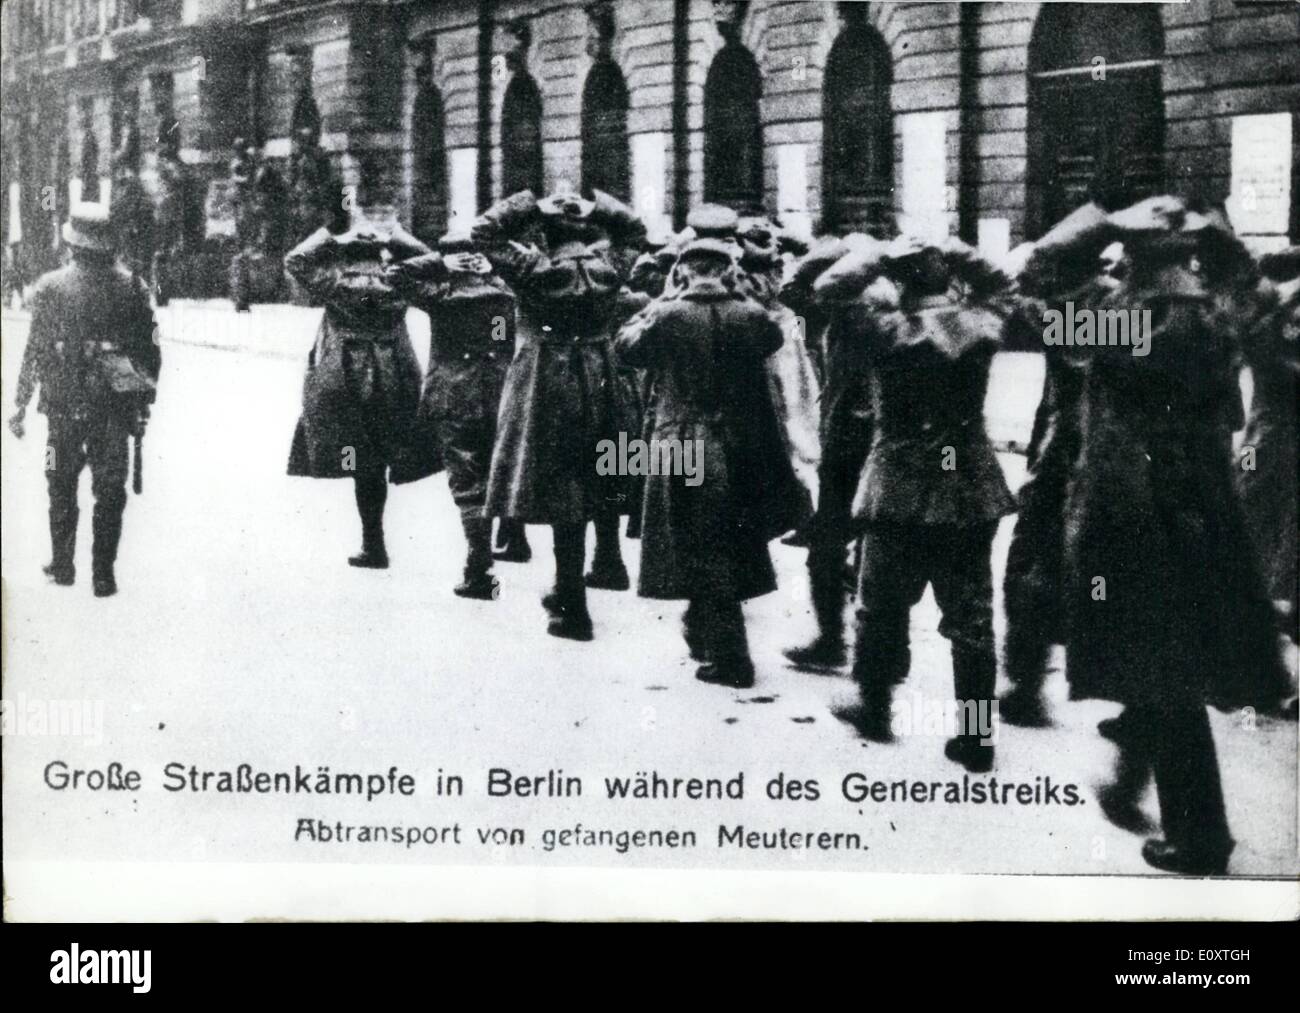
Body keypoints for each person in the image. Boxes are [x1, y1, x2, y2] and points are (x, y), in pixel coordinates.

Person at [1061, 197, 1288, 874]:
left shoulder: (1124, 320)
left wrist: (1103, 220)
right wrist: (1212, 235)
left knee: (1162, 666)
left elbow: (1042, 279)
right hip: (1203, 505)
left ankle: (1199, 834)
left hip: (1134, 508)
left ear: (1131, 255)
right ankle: (1132, 776)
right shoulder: (1218, 312)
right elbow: (1253, 284)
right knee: (1163, 652)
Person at [812, 236, 1016, 771]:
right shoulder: (981, 324)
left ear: (900, 282)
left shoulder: (884, 329)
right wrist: (955, 250)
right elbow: (1005, 284)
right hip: (968, 484)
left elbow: (828, 288)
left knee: (879, 607)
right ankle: (976, 737)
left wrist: (882, 255)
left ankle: (875, 708)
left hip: (897, 485)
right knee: (971, 620)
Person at [616, 231, 801, 688]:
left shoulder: (666, 314)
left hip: (682, 441)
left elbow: (627, 349)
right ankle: (702, 630)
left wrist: (664, 300)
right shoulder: (751, 314)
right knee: (723, 537)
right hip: (739, 443)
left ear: (682, 270)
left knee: (699, 543)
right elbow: (770, 338)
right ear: (728, 271)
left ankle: (732, 657)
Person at [474, 184, 645, 641]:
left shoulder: (533, 268)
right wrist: (596, 207)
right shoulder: (609, 267)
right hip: (601, 374)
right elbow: (635, 231)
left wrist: (532, 204)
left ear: (545, 235)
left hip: (545, 380)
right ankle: (604, 564)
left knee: (561, 485)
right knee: (599, 473)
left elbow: (484, 232)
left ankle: (572, 601)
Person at [998, 204, 1116, 727]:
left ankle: (1027, 681)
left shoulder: (1098, 305)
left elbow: (1070, 346)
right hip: (1073, 451)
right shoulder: (1099, 300)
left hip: (1076, 455)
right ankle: (1027, 678)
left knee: (1041, 563)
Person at [8, 204, 160, 597]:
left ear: (72, 244)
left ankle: (63, 564)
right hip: (114, 406)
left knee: (58, 480)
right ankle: (103, 574)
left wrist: (20, 403)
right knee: (110, 487)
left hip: (61, 406)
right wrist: (144, 399)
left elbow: (35, 350)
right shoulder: (134, 287)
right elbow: (150, 350)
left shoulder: (49, 287)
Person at [283, 209, 432, 569]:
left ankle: (373, 543)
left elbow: (295, 260)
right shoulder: (398, 280)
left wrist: (334, 238)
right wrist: (394, 238)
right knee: (381, 455)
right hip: (394, 375)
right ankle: (374, 542)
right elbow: (432, 262)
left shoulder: (334, 282)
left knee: (359, 457)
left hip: (345, 375)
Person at [780, 233, 894, 671]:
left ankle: (832, 642)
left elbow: (791, 290)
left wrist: (834, 253)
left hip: (850, 441)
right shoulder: (884, 301)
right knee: (873, 546)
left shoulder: (850, 310)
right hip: (874, 440)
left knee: (827, 547)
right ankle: (882, 651)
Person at [391, 231, 517, 599]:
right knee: (496, 469)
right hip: (499, 393)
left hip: (454, 395)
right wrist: (494, 265)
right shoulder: (505, 294)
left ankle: (478, 568)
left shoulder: (443, 296)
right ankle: (511, 540)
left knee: (467, 481)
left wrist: (438, 263)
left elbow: (396, 275)